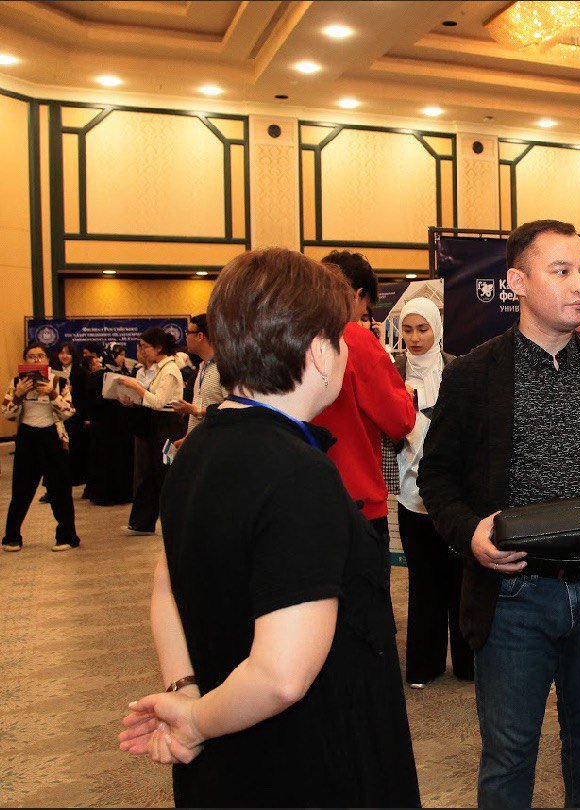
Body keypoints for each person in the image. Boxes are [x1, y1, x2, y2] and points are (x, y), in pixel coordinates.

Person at [116, 248, 421, 808]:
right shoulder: (299, 474)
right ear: (320, 353)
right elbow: (282, 675)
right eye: (342, 339)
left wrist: (187, 694)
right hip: (307, 763)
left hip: (230, 753)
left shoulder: (199, 448)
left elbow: (166, 585)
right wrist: (194, 721)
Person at [418, 219, 580, 808]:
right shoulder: (474, 374)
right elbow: (437, 477)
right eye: (561, 271)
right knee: (509, 754)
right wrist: (471, 534)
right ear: (518, 282)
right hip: (514, 595)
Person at [384, 297, 473, 689]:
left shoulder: (458, 369)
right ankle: (425, 664)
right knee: (423, 582)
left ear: (436, 328)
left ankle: (468, 664)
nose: (415, 338)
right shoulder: (392, 372)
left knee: (461, 580)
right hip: (409, 494)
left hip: (453, 495)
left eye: (422, 329)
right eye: (407, 329)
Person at [312, 250, 417, 541]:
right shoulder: (355, 340)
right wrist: (405, 396)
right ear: (358, 294)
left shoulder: (294, 335)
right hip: (356, 499)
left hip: (304, 496)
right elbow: (399, 420)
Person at [1, 343, 80, 552]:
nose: (36, 360)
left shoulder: (59, 380)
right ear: (25, 360)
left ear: (47, 359)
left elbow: (69, 411)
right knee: (21, 489)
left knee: (60, 489)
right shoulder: (16, 382)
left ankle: (66, 535)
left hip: (53, 435)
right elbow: (7, 414)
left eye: (40, 356)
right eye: (31, 356)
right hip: (27, 436)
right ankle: (12, 536)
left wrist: (53, 394)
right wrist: (18, 395)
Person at [111, 328, 185, 535]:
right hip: (157, 423)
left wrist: (136, 387)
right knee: (150, 473)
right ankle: (142, 522)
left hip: (168, 424)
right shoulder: (160, 369)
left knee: (164, 473)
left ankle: (174, 522)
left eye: (145, 347)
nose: (142, 351)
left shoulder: (170, 370)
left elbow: (158, 401)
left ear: (158, 347)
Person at [84, 343, 136, 506]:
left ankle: (123, 493)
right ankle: (104, 494)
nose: (122, 358)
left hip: (122, 425)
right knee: (105, 459)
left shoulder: (125, 374)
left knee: (122, 457)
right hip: (104, 426)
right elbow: (92, 401)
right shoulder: (98, 376)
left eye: (123, 355)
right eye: (119, 354)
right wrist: (109, 396)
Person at [170, 314, 225, 442]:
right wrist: (188, 438)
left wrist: (196, 411)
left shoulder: (223, 368)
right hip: (198, 441)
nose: (186, 337)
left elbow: (231, 408)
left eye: (188, 333)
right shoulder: (202, 366)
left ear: (200, 336)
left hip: (214, 442)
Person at [52, 341, 88, 485]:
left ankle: (76, 477)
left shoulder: (81, 372)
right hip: (58, 415)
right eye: (62, 353)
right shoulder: (53, 372)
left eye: (68, 353)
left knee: (76, 446)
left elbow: (86, 396)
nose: (64, 356)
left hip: (76, 415)